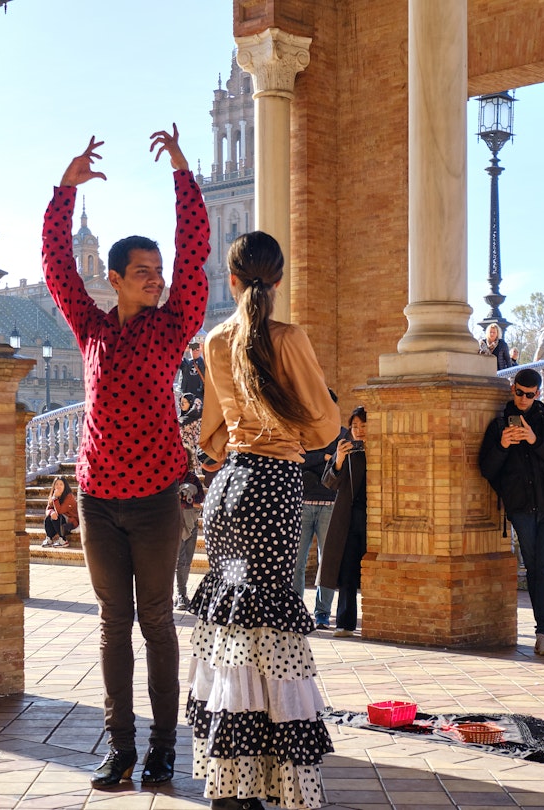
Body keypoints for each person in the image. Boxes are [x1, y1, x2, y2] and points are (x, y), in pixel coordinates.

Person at [43, 128, 209, 788]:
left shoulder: (174, 327)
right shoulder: (89, 326)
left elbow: (195, 261)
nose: (158, 277)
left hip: (154, 501)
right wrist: (64, 190)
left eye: (158, 270)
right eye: (143, 272)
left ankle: (165, 748)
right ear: (114, 279)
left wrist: (182, 175)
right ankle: (121, 750)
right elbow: (57, 266)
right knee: (113, 627)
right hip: (96, 499)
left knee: (157, 623)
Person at [191, 230, 340, 810]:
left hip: (228, 488)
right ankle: (264, 781)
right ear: (278, 281)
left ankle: (232, 782)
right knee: (269, 625)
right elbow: (326, 427)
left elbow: (209, 436)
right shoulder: (288, 337)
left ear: (230, 279)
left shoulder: (214, 339)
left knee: (233, 624)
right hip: (275, 483)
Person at [479, 369, 544, 656]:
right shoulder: (498, 427)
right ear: (512, 389)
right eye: (519, 392)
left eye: (529, 394)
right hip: (521, 508)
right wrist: (504, 445)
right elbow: (487, 469)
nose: (523, 398)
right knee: (535, 568)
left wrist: (534, 439)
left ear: (538, 394)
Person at [321, 407, 369, 638]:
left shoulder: (383, 448)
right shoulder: (347, 451)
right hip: (349, 518)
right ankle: (345, 622)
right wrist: (339, 459)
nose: (359, 431)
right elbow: (329, 482)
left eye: (363, 425)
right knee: (348, 569)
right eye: (355, 426)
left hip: (376, 518)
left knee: (373, 570)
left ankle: (375, 619)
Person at [298, 402, 347, 629]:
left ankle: (322, 614)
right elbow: (298, 461)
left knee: (325, 562)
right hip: (302, 504)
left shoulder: (343, 434)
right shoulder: (303, 432)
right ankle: (296, 609)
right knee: (297, 562)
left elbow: (341, 466)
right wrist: (325, 459)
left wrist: (318, 459)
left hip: (330, 505)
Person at [174, 468, 205, 610]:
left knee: (186, 561)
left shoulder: (193, 479)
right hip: (173, 524)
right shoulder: (170, 478)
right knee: (179, 561)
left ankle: (181, 595)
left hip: (190, 523)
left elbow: (200, 500)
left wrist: (184, 501)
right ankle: (180, 595)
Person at [41, 476, 78, 548]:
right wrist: (51, 512)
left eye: (61, 484)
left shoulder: (69, 497)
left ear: (65, 486)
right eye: (56, 484)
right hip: (60, 520)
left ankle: (63, 540)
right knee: (49, 517)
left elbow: (60, 511)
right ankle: (49, 538)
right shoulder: (53, 495)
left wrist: (55, 498)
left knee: (57, 517)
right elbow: (48, 509)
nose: (58, 486)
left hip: (71, 522)